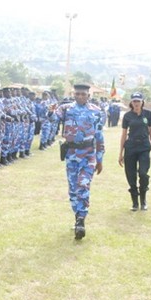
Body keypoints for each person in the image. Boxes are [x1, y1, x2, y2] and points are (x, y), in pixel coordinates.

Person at [55, 83, 105, 240]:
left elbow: (99, 135)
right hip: (71, 154)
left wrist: (100, 158)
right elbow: (52, 118)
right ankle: (77, 216)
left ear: (88, 95)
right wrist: (49, 111)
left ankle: (81, 220)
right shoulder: (66, 109)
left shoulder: (96, 112)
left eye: (83, 94)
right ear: (74, 94)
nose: (80, 96)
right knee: (73, 189)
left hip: (88, 155)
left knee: (83, 185)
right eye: (78, 94)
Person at [118, 92, 151, 211]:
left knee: (143, 173)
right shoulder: (127, 116)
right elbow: (124, 134)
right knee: (131, 174)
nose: (136, 103)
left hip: (144, 147)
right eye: (134, 101)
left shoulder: (148, 114)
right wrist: (121, 153)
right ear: (131, 102)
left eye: (138, 101)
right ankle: (135, 202)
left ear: (142, 102)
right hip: (130, 147)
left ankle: (143, 200)